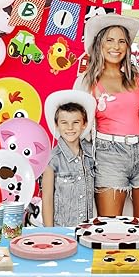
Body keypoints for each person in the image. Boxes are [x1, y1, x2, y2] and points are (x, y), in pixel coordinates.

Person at [75, 14, 139, 220]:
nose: (116, 46)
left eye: (122, 41)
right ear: (99, 44)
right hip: (109, 155)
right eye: (110, 40)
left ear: (128, 46)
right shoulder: (87, 81)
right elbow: (78, 124)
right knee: (109, 226)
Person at [42, 90, 97, 227]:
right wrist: (50, 232)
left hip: (87, 229)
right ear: (56, 125)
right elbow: (47, 199)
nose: (70, 128)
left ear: (84, 124)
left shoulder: (91, 154)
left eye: (76, 122)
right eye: (64, 123)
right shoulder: (52, 160)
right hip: (62, 229)